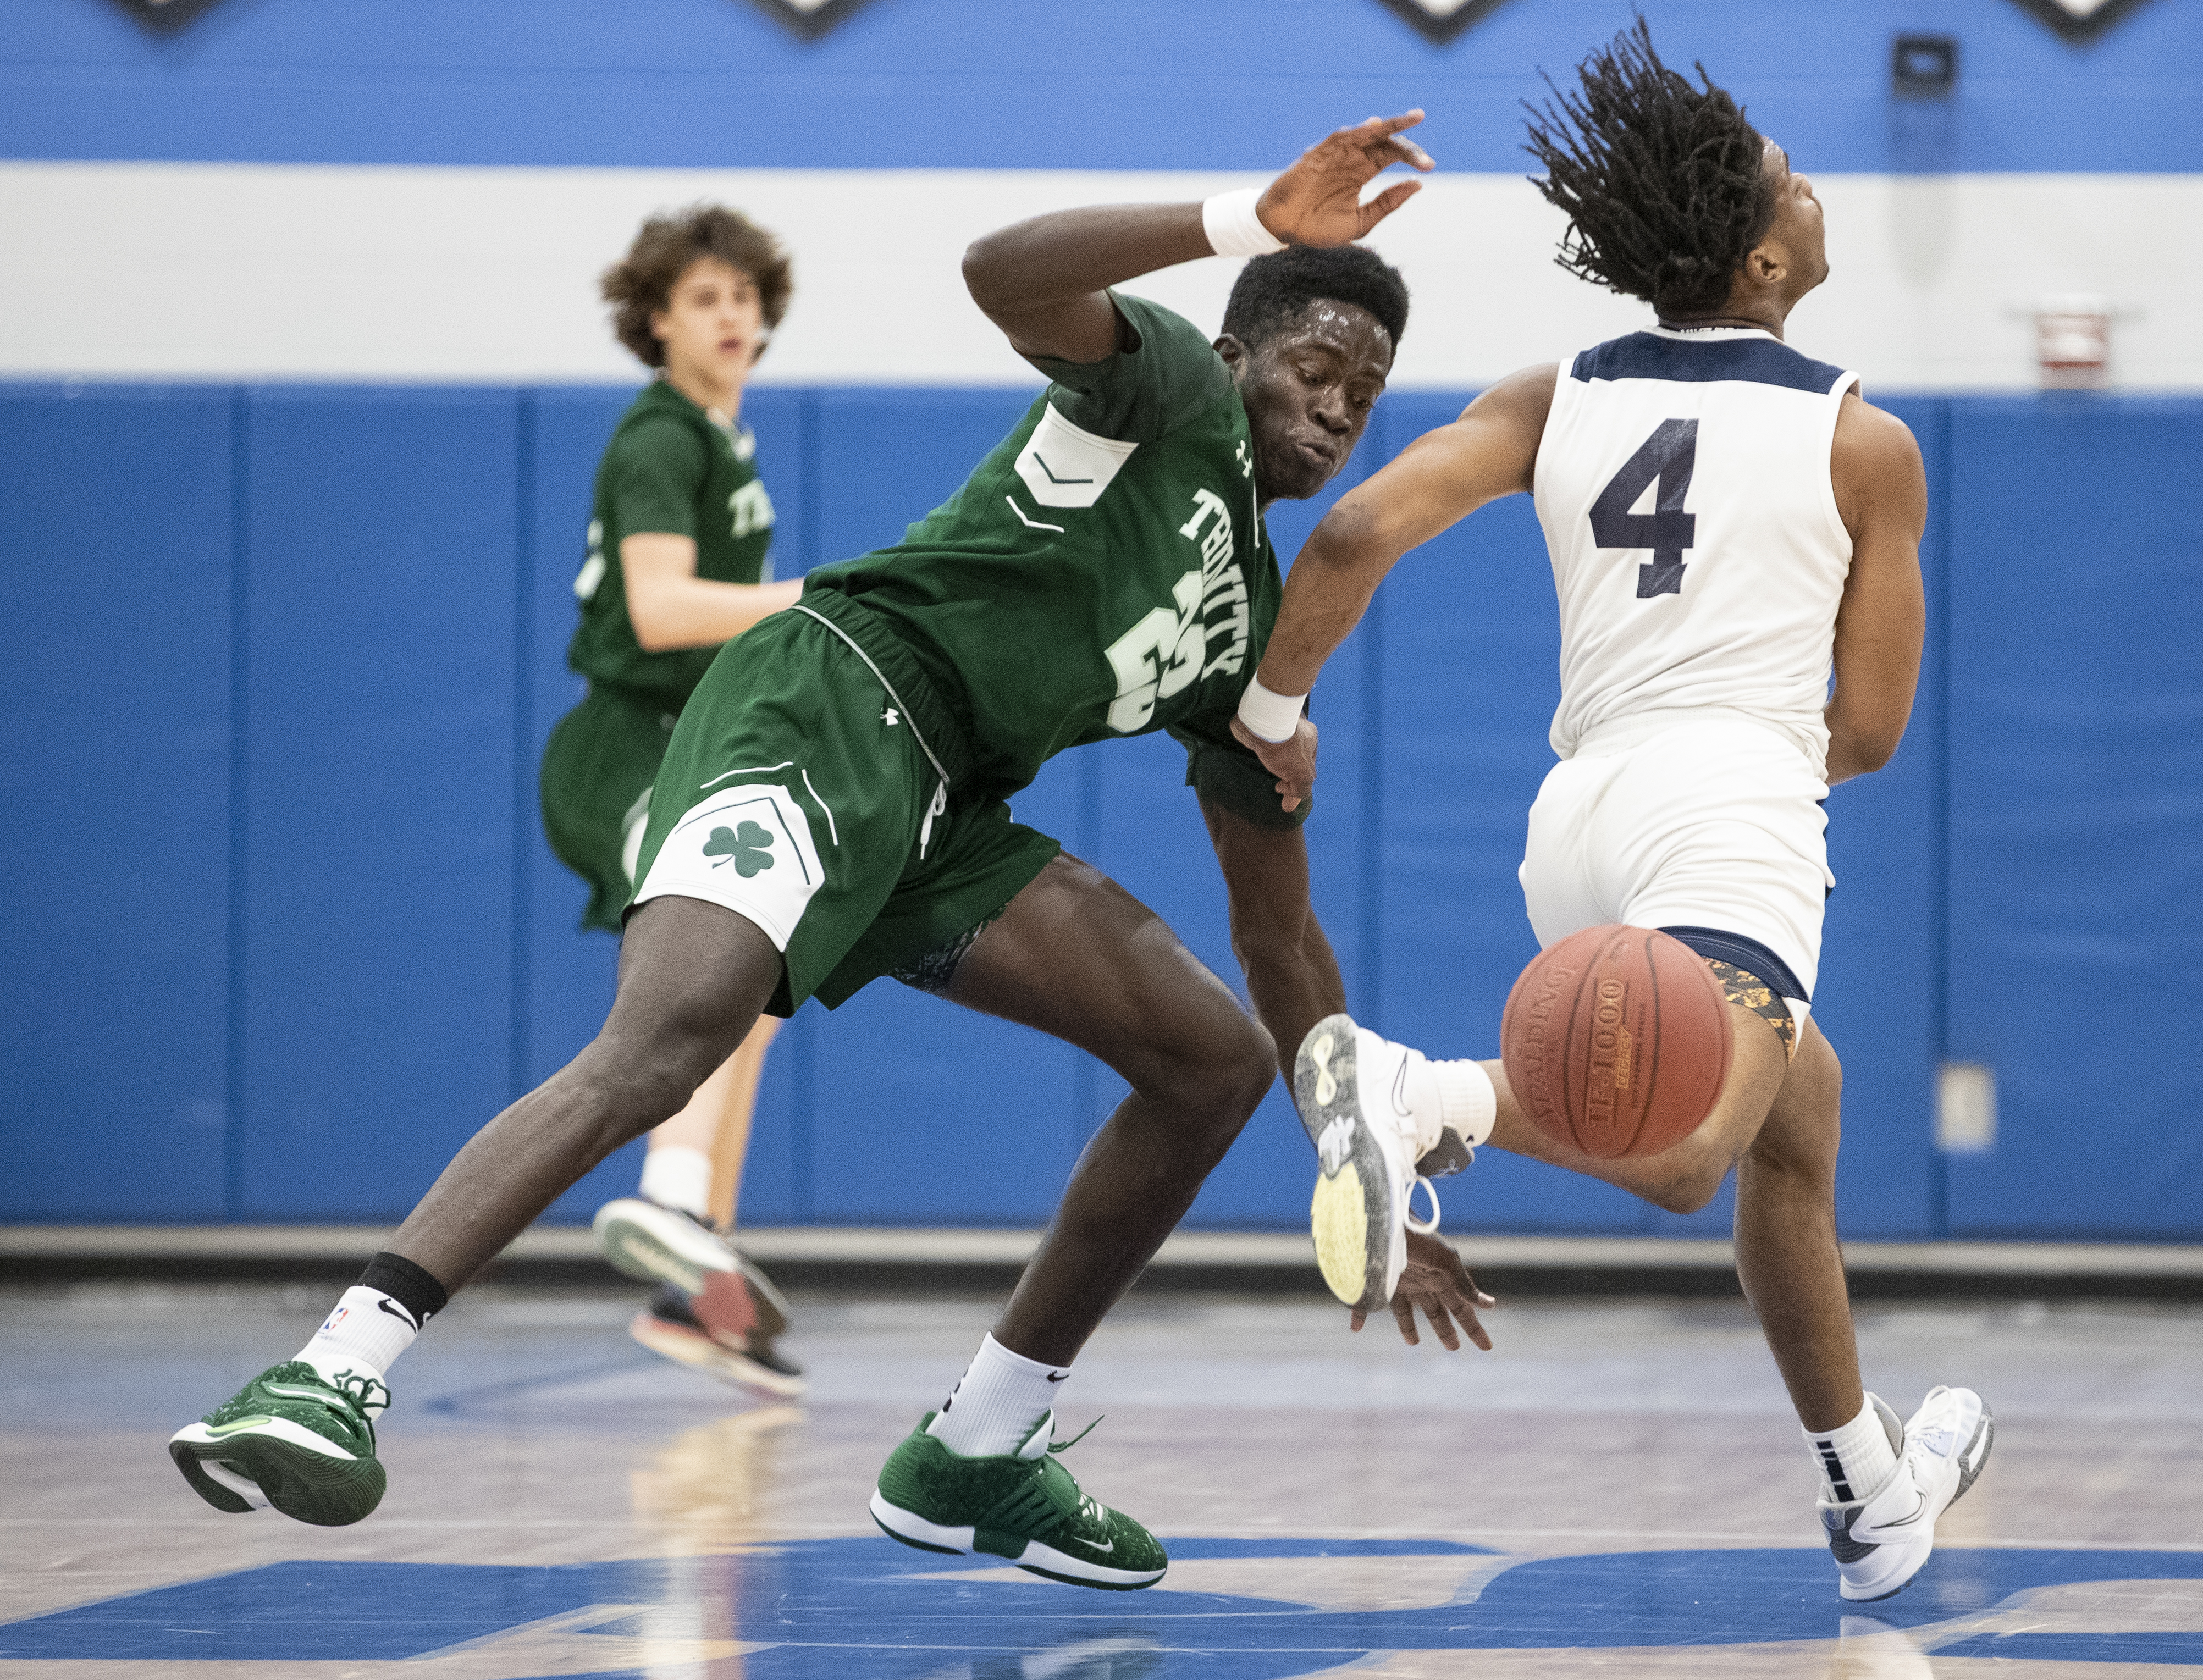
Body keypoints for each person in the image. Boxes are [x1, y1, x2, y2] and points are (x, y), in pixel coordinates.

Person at [168, 112, 1429, 1592]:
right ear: (1238, 357)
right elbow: (999, 269)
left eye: (1367, 390)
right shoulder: (1161, 397)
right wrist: (1244, 217)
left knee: (1209, 1058)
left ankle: (974, 1450)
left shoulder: (1247, 626)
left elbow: (1274, 934)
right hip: (830, 700)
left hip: (944, 811)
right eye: (1316, 367)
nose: (1340, 407)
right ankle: (330, 1371)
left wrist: (1360, 1145)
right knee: (671, 1036)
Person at [1229, 27, 1991, 1604]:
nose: (1807, 182)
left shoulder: (1549, 393)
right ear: (1768, 255)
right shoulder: (1863, 442)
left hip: (1572, 812)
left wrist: (1269, 715)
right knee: (1683, 1150)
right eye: (1789, 173)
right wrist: (1757, 776)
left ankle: (1870, 1496)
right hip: (1731, 799)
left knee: (1796, 1130)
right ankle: (1420, 1097)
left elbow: (1354, 530)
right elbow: (1866, 728)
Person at [544, 205, 808, 1400]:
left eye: (745, 297)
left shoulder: (719, 438)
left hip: (685, 745)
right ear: (656, 319)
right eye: (706, 298)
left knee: (760, 982)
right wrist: (819, 599)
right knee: (723, 967)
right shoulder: (662, 437)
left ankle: (692, 1284)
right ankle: (667, 1205)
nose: (733, 315)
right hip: (625, 749)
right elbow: (656, 611)